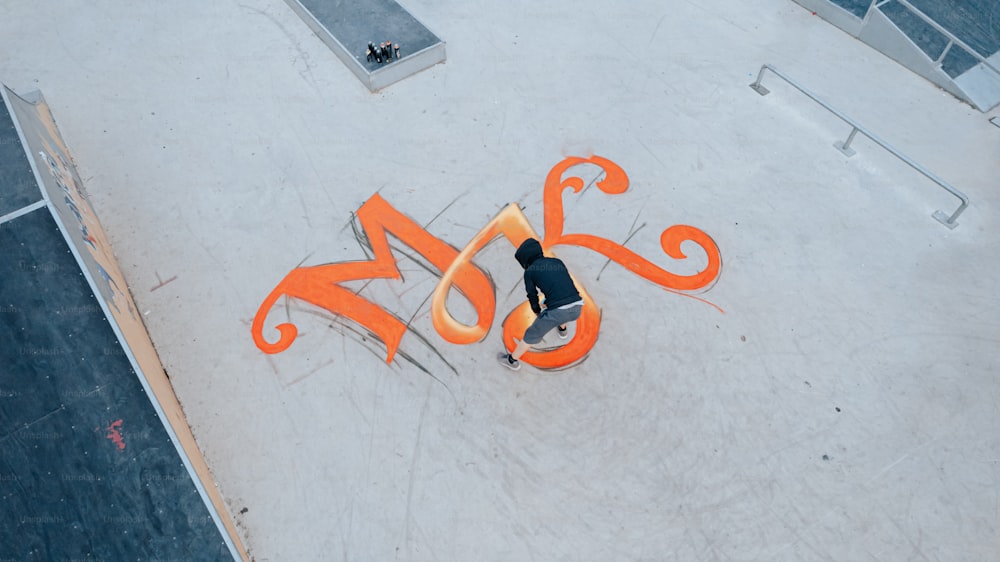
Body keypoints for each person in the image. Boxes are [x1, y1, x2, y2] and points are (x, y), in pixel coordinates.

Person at [498, 238, 584, 371]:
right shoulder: (556, 262)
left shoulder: (530, 271)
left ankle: (512, 360)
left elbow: (532, 295)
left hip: (557, 312)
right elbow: (563, 284)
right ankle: (563, 330)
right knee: (557, 305)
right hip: (577, 305)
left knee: (531, 334)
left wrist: (537, 311)